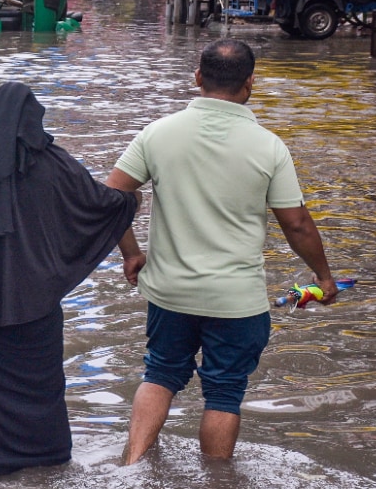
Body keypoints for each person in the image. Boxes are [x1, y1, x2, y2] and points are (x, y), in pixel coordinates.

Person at [106, 39, 338, 465]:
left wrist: (131, 253)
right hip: (236, 300)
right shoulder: (269, 146)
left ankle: (131, 465)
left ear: (198, 77)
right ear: (251, 83)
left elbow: (108, 199)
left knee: (159, 374)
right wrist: (323, 277)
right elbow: (297, 224)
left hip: (170, 292)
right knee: (225, 391)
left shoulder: (158, 133)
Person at [0, 82, 140, 483]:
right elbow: (98, 205)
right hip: (34, 305)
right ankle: (46, 468)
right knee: (38, 392)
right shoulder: (55, 164)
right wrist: (130, 202)